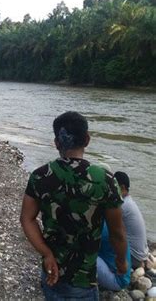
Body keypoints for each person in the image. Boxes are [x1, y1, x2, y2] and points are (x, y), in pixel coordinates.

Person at [20, 111, 127, 300]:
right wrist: (120, 260)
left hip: (50, 270)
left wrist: (46, 253)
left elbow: (26, 219)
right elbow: (117, 233)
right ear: (87, 139)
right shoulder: (105, 180)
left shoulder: (40, 175)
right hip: (84, 278)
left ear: (56, 143)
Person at [114, 171, 152, 270]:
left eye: (113, 186)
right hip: (141, 255)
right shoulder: (128, 202)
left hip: (134, 257)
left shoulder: (122, 205)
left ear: (122, 187)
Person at [97, 222, 132, 291]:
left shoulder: (100, 228)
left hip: (117, 280)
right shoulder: (111, 223)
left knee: (82, 255)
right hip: (123, 277)